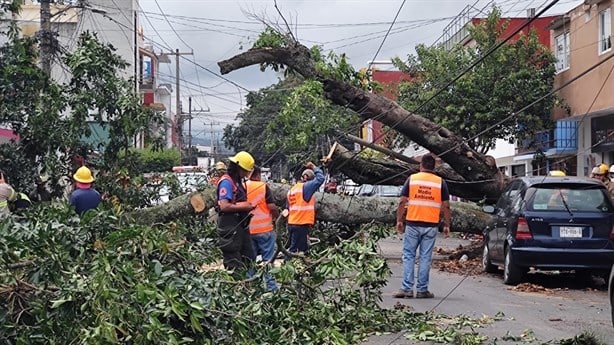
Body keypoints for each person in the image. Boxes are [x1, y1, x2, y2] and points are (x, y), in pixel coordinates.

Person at [393, 153, 450, 299]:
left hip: (413, 223)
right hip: (431, 225)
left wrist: (399, 220)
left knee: (409, 256)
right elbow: (446, 206)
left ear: (421, 166)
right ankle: (422, 290)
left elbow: (402, 201)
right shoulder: (440, 182)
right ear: (434, 167)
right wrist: (446, 224)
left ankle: (406, 288)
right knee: (425, 257)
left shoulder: (412, 179)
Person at [216, 151, 257, 272]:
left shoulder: (237, 181)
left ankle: (249, 285)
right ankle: (236, 286)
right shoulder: (226, 182)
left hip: (240, 226)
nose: (246, 174)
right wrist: (245, 207)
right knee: (233, 262)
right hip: (229, 226)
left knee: (249, 257)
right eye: (245, 170)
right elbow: (224, 206)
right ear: (238, 167)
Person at [246, 165, 280, 291]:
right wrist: (277, 217)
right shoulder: (262, 186)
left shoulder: (243, 187)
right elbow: (271, 206)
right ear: (258, 175)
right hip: (265, 230)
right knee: (268, 261)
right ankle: (272, 289)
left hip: (249, 230)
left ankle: (250, 288)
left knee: (250, 261)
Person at [284, 161, 325, 256]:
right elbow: (320, 178)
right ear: (308, 179)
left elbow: (287, 208)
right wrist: (313, 167)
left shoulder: (292, 190)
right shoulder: (306, 187)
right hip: (300, 224)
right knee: (296, 252)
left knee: (296, 248)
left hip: (292, 223)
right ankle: (289, 267)